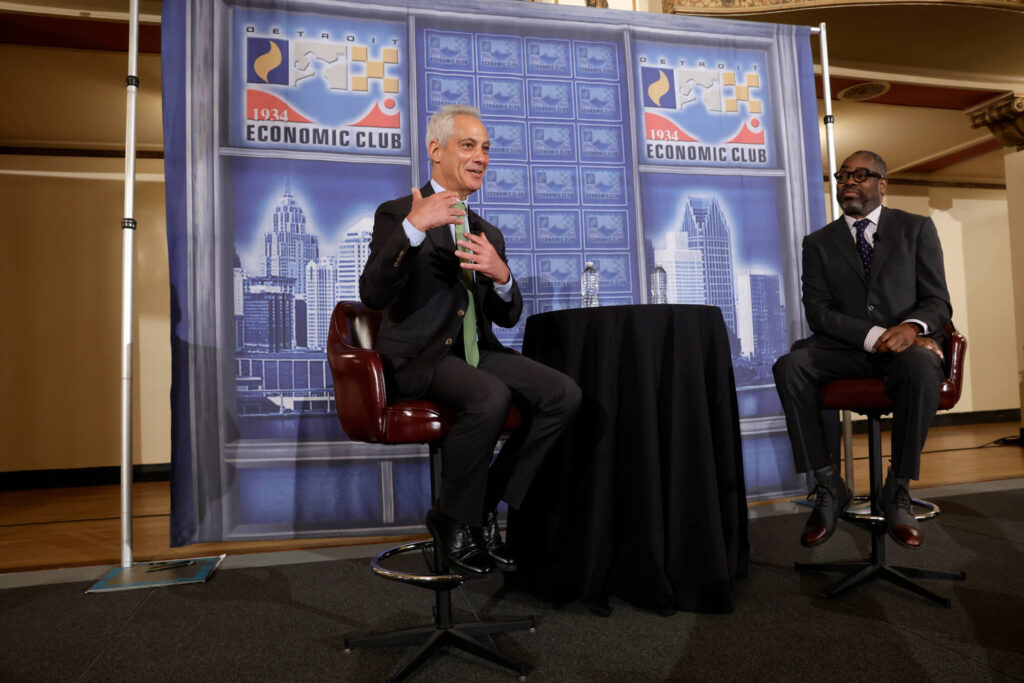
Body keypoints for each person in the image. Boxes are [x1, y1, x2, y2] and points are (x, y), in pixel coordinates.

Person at [359, 104, 582, 577]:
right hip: (419, 359)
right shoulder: (397, 214)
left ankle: (480, 505)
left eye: (485, 148)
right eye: (468, 146)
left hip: (477, 354)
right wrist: (414, 229)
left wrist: (503, 277)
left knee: (564, 394)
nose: (481, 157)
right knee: (491, 395)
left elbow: (506, 316)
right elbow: (373, 293)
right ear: (435, 150)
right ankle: (454, 517)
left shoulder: (487, 232)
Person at [773, 150, 951, 550]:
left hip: (905, 351)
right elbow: (819, 312)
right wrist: (876, 334)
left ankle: (898, 488)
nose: (848, 182)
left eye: (860, 175)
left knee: (921, 365)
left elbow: (937, 301)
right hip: (848, 349)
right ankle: (828, 485)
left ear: (882, 184)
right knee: (790, 366)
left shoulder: (916, 228)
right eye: (842, 176)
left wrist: (911, 328)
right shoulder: (818, 243)